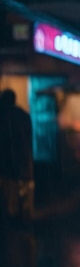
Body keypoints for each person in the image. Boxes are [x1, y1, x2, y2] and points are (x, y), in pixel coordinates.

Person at [0, 88, 34, 222]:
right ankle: (21, 216)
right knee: (21, 189)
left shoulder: (4, 116)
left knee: (9, 189)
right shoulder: (22, 116)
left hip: (7, 160)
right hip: (21, 159)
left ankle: (12, 216)